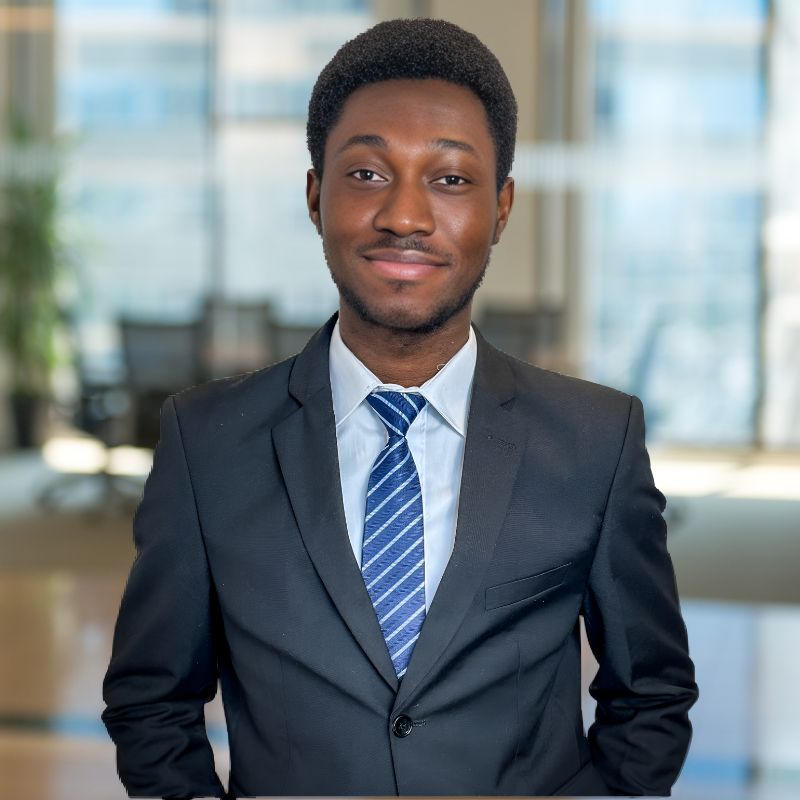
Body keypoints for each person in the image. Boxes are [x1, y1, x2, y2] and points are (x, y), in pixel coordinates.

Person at [103, 18, 698, 798]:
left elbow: (650, 697)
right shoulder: (206, 443)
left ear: (503, 206)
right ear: (316, 196)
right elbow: (152, 704)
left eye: (450, 179)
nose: (406, 217)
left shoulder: (597, 443)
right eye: (367, 175)